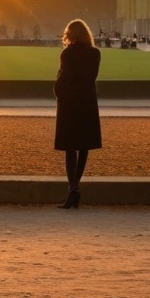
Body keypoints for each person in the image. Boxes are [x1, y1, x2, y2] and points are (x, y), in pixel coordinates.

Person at [54, 19, 103, 209]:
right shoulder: (95, 53)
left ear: (72, 35)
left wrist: (57, 90)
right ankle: (74, 190)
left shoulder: (68, 53)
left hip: (70, 104)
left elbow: (64, 78)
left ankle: (72, 190)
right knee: (83, 147)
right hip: (88, 103)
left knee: (69, 148)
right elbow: (91, 77)